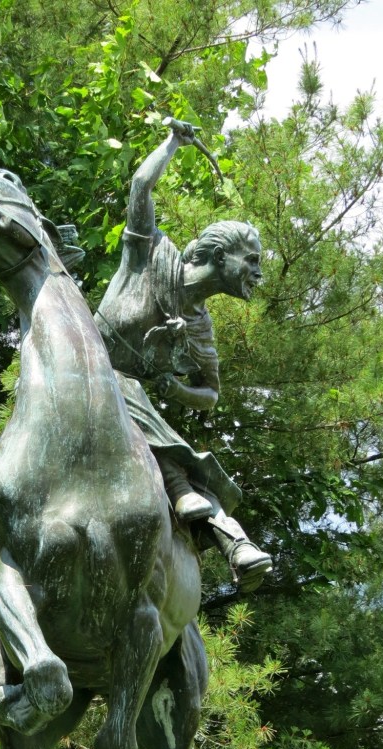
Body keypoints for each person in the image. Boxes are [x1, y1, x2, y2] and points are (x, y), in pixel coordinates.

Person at [95, 118, 272, 592]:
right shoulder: (151, 253)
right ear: (221, 254)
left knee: (128, 392)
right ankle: (212, 518)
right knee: (121, 387)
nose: (258, 274)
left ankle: (191, 501)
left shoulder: (201, 331)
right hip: (79, 362)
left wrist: (173, 388)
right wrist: (173, 143)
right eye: (252, 261)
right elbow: (140, 186)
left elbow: (210, 395)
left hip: (126, 402)